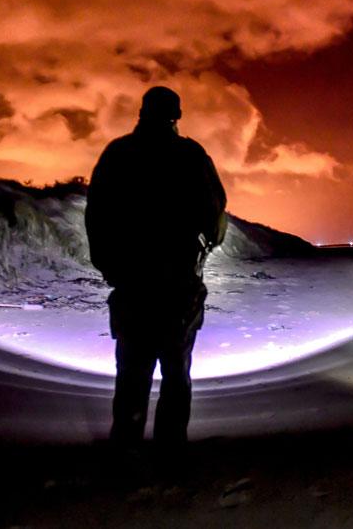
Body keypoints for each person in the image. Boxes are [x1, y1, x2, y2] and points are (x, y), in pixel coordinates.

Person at [86, 86, 226, 455]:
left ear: (142, 113)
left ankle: (126, 452)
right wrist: (199, 252)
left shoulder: (117, 154)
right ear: (176, 116)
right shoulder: (191, 155)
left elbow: (96, 217)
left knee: (132, 374)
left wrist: (111, 268)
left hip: (132, 285)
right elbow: (216, 215)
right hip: (179, 285)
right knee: (176, 374)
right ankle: (170, 453)